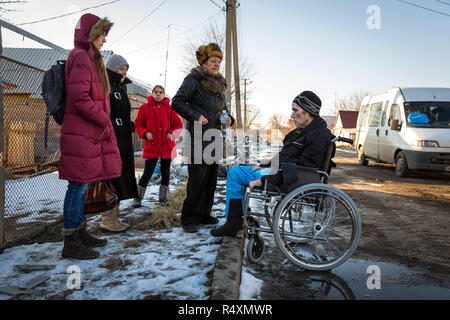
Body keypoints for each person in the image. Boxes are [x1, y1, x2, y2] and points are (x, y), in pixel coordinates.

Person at [211, 91, 333, 237]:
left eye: (295, 110)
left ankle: (234, 223)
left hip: (287, 179)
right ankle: (236, 219)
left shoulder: (319, 136)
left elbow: (301, 170)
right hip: (280, 173)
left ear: (308, 113)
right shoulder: (302, 133)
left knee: (235, 174)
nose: (292, 115)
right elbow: (285, 157)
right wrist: (264, 166)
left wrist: (264, 177)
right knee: (238, 169)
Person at [59, 13, 122, 259]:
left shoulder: (90, 57)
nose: (104, 39)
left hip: (87, 133)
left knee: (82, 184)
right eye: (101, 34)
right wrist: (103, 119)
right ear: (90, 34)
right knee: (76, 186)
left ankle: (81, 231)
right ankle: (70, 241)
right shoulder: (82, 57)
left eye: (106, 34)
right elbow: (80, 98)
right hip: (82, 132)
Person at [172, 43, 234, 233]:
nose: (216, 64)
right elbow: (177, 102)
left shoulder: (219, 85)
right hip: (198, 137)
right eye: (212, 61)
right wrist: (195, 115)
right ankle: (190, 218)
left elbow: (222, 108)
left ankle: (205, 214)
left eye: (218, 61)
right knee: (197, 179)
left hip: (215, 138)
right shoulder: (193, 80)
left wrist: (229, 117)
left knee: (210, 180)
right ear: (204, 63)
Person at [99, 54, 138, 232]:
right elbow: (104, 112)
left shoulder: (121, 86)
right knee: (112, 176)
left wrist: (127, 123)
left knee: (121, 174)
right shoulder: (104, 85)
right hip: (111, 139)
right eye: (121, 69)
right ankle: (107, 219)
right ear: (111, 68)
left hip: (122, 138)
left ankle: (115, 216)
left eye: (125, 69)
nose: (123, 72)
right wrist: (117, 123)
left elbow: (121, 111)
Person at [134, 85, 183, 206]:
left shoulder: (169, 108)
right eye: (155, 92)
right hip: (152, 145)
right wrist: (145, 133)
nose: (158, 94)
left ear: (164, 94)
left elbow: (178, 124)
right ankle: (138, 198)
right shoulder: (144, 108)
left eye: (160, 92)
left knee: (166, 173)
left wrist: (171, 133)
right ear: (152, 94)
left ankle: (163, 199)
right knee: (147, 172)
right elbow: (138, 124)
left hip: (167, 146)